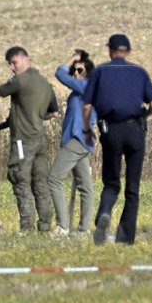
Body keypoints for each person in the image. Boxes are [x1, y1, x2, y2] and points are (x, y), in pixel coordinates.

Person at [0, 46, 59, 232]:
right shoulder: (44, 83)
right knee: (40, 182)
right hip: (40, 139)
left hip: (23, 141)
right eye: (9, 64)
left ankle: (27, 227)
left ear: (25, 59)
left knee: (20, 179)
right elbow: (53, 112)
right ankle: (45, 226)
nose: (12, 67)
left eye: (14, 63)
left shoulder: (21, 80)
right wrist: (27, 118)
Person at [82, 34, 152, 245]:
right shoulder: (139, 72)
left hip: (111, 130)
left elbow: (86, 106)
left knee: (111, 181)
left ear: (110, 50)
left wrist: (87, 129)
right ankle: (125, 238)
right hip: (135, 130)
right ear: (128, 51)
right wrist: (143, 117)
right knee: (133, 188)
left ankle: (105, 212)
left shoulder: (100, 72)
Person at [47, 50, 97, 235]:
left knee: (54, 178)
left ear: (88, 73)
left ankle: (62, 226)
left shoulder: (86, 86)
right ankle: (83, 230)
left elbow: (60, 74)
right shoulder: (81, 90)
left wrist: (73, 59)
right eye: (74, 70)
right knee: (85, 187)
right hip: (80, 141)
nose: (75, 73)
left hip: (77, 140)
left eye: (80, 70)